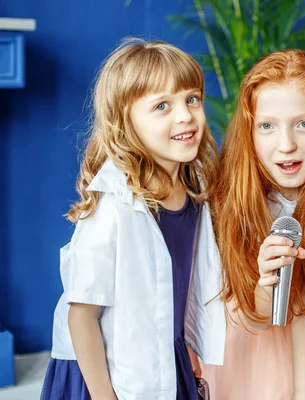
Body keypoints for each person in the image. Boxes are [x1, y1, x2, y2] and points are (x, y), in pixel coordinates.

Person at [40, 38, 226, 400]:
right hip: (102, 374)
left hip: (161, 356)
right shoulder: (114, 205)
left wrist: (183, 341)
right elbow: (82, 317)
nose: (185, 115)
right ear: (125, 122)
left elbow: (169, 285)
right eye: (162, 106)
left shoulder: (192, 186)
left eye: (192, 99)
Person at [201, 49, 305, 400]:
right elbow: (255, 316)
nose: (286, 146)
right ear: (249, 132)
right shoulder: (226, 202)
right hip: (245, 363)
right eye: (267, 126)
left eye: (304, 124)